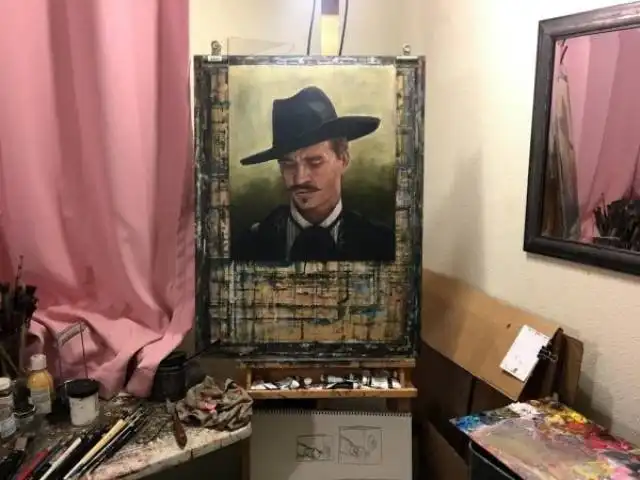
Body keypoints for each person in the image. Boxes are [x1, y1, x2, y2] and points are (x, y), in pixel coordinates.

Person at [233, 85, 395, 262]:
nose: (300, 178)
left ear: (343, 159)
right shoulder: (249, 245)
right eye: (288, 164)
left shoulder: (383, 245)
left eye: (315, 162)